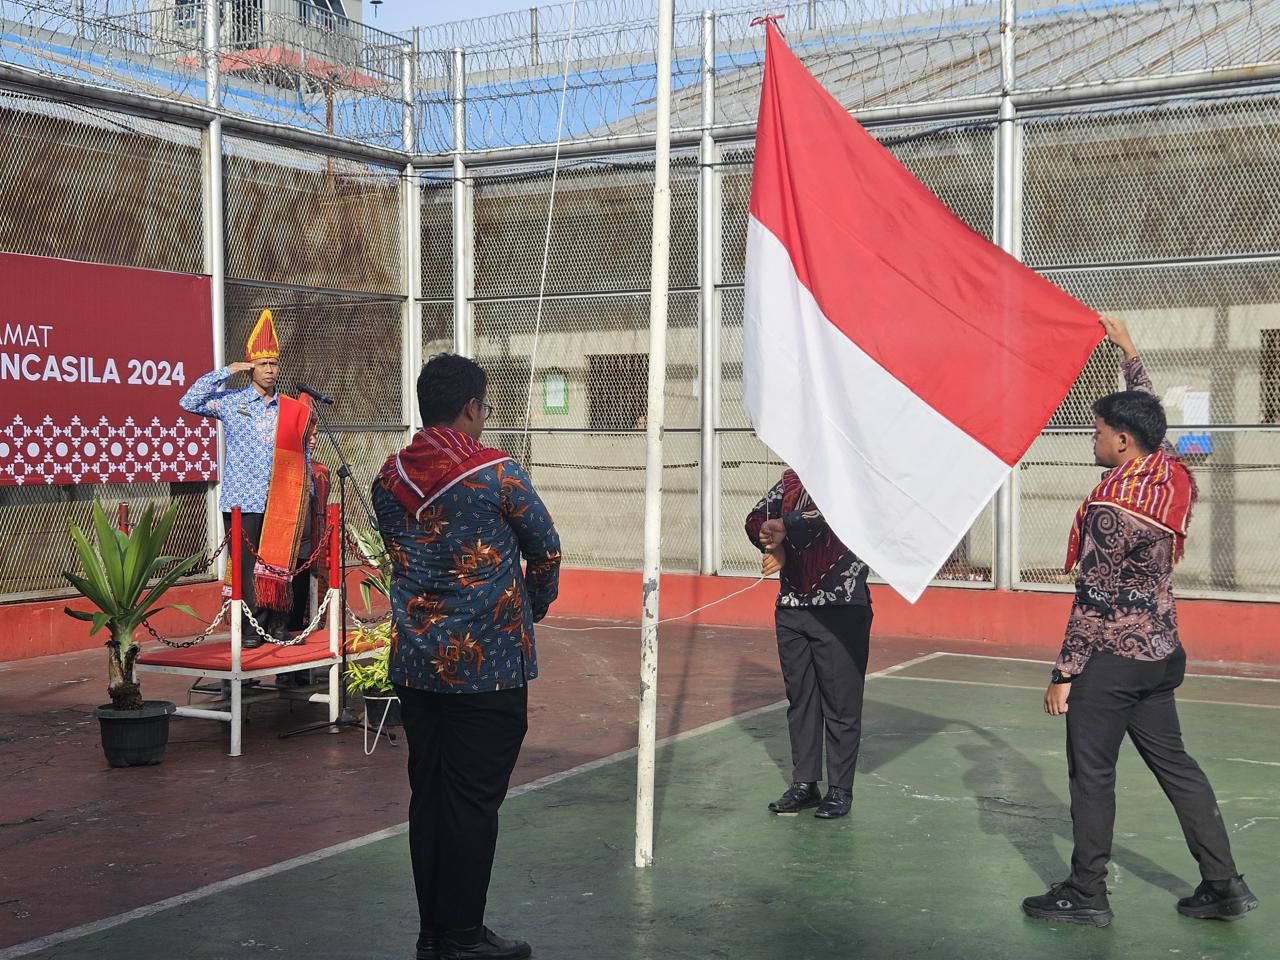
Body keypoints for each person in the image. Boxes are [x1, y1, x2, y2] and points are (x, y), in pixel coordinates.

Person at [1022, 316, 1259, 927]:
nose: (1092, 439)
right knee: (1178, 767)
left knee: (1092, 775)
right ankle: (1224, 883)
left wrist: (1063, 673)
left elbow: (1093, 599)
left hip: (1112, 661)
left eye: (1099, 431)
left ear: (1123, 441)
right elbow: (1152, 412)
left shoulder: (1110, 507)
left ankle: (1087, 891)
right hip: (1160, 654)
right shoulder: (1169, 475)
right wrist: (1128, 352)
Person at [373, 353, 561, 960]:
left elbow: (401, 553)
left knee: (428, 797)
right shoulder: (497, 473)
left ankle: (435, 932)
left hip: (416, 664)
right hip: (490, 668)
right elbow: (547, 550)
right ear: (473, 407)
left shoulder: (388, 476)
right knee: (474, 804)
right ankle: (461, 936)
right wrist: (528, 609)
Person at [180, 310, 314, 647]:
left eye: (274, 364)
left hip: (282, 497)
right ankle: (252, 628)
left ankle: (279, 625)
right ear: (251, 366)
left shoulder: (289, 408)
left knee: (280, 564)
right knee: (246, 567)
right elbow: (189, 401)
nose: (269, 370)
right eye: (263, 363)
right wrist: (227, 371)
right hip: (244, 497)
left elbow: (302, 454)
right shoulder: (232, 402)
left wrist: (306, 490)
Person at [745, 467, 872, 819]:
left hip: (841, 608)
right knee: (800, 699)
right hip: (792, 608)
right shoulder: (791, 480)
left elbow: (829, 515)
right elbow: (757, 516)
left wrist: (786, 527)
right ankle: (804, 783)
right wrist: (769, 539)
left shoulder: (851, 477)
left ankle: (840, 789)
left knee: (840, 704)